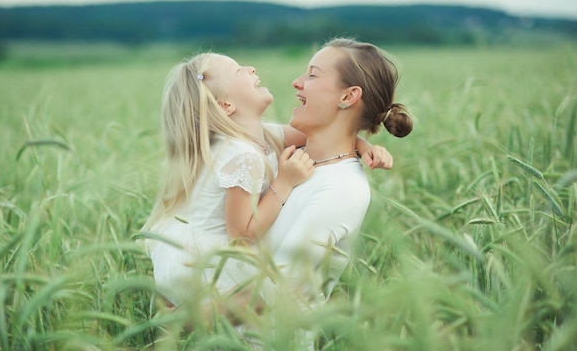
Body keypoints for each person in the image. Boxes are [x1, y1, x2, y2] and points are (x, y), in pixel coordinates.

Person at [141, 51, 393, 313]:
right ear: (226, 105)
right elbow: (241, 234)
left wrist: (364, 146)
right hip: (203, 263)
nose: (251, 67)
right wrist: (284, 182)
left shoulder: (261, 134)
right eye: (239, 70)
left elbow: (327, 134)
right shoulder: (242, 156)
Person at [260, 37, 413, 319]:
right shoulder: (288, 156)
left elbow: (277, 289)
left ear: (347, 97)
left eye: (312, 74)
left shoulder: (342, 189)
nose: (297, 82)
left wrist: (193, 312)